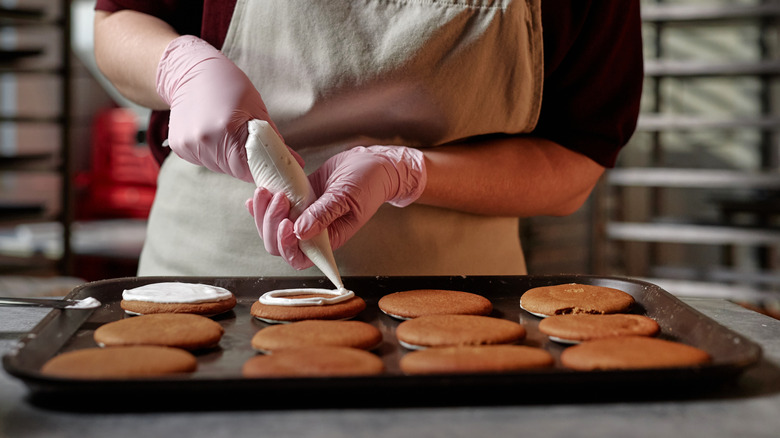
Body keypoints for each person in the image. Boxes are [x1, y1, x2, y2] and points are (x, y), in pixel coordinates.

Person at [92, 0, 643, 278]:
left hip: (459, 304)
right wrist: (180, 68)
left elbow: (576, 157)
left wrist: (407, 171)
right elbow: (119, 23)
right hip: (209, 280)